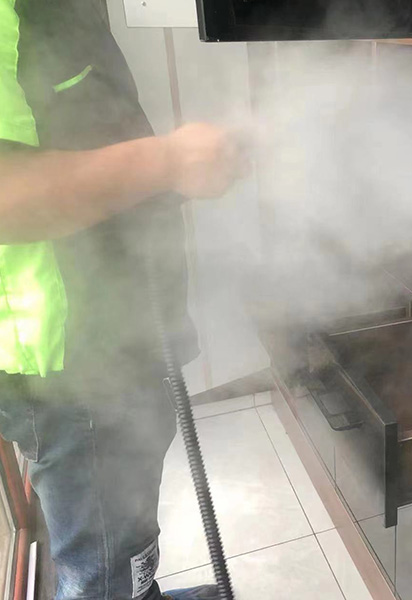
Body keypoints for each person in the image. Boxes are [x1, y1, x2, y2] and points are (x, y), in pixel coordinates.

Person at [0, 0, 243, 598]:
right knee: (104, 562)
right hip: (70, 357)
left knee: (124, 531)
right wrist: (170, 161)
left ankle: (139, 591)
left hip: (113, 326)